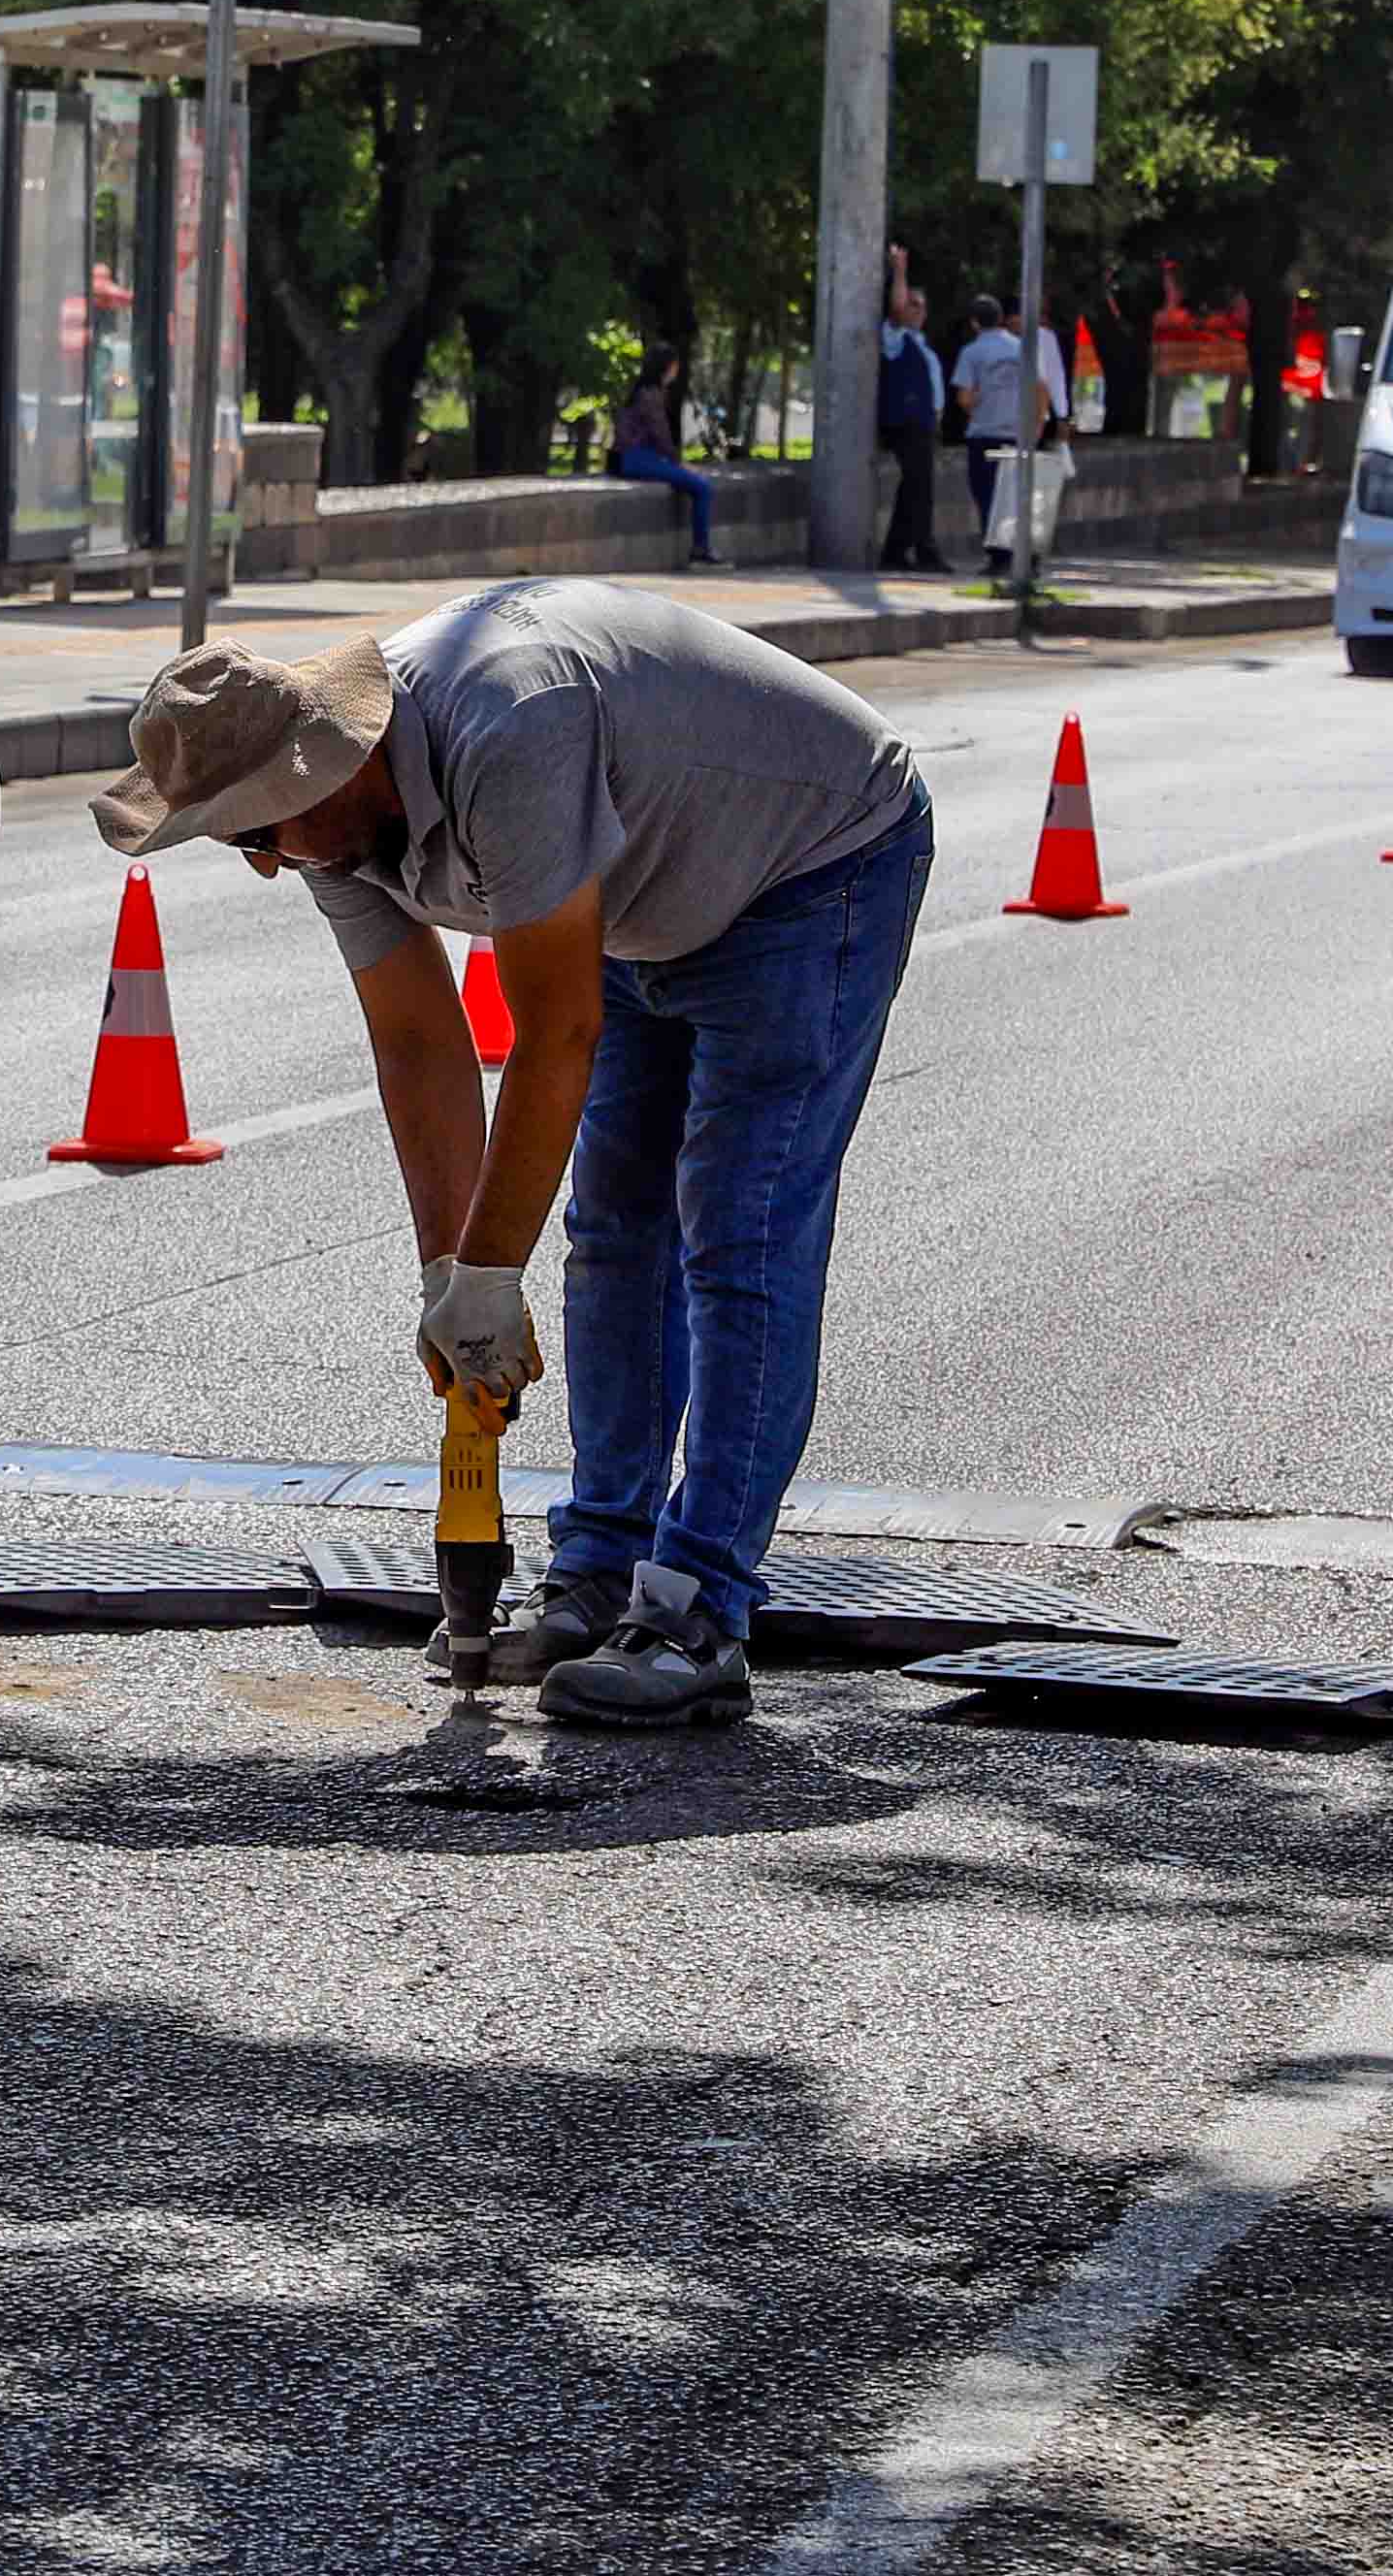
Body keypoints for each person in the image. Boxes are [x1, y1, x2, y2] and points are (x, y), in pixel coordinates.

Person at [97, 580, 937, 1733]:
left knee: (739, 1228)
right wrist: (452, 1277)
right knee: (615, 1230)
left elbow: (556, 1033)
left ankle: (699, 1611)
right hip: (643, 892)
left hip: (813, 864)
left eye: (256, 833)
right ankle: (602, 1567)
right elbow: (418, 1042)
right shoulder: (336, 833)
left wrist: (494, 1267)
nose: (264, 865)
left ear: (318, 774)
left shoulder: (508, 728)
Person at [604, 361, 719, 565]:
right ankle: (700, 548)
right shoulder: (651, 395)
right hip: (637, 459)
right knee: (702, 487)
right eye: (674, 365)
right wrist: (678, 463)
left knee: (697, 484)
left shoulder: (640, 391)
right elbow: (660, 435)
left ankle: (701, 548)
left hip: (629, 458)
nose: (677, 369)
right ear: (666, 367)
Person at [956, 293, 1034, 573]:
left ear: (975, 323)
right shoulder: (1021, 348)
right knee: (1014, 497)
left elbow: (965, 398)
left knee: (987, 496)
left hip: (984, 434)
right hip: (1016, 434)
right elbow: (1038, 388)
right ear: (1001, 318)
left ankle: (998, 556)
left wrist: (981, 400)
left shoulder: (971, 352)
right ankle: (1021, 554)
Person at [875, 282, 950, 572]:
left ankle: (896, 550)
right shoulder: (895, 338)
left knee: (915, 487)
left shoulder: (922, 345)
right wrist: (900, 271)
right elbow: (895, 311)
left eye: (922, 306)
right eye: (912, 304)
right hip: (906, 423)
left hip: (925, 423)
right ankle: (924, 548)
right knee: (919, 487)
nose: (919, 311)